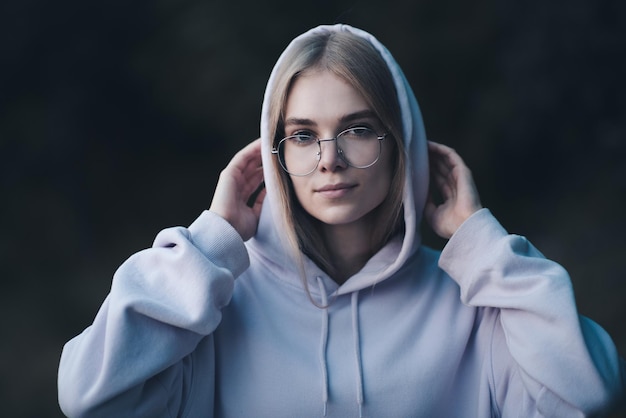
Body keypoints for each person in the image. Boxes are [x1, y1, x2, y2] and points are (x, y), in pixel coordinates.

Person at [58, 24, 625, 417]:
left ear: (402, 144)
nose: (329, 158)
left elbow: (587, 395)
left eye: (357, 129)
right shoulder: (212, 303)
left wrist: (482, 245)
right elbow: (90, 397)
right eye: (303, 135)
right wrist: (212, 242)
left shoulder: (476, 303)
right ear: (273, 150)